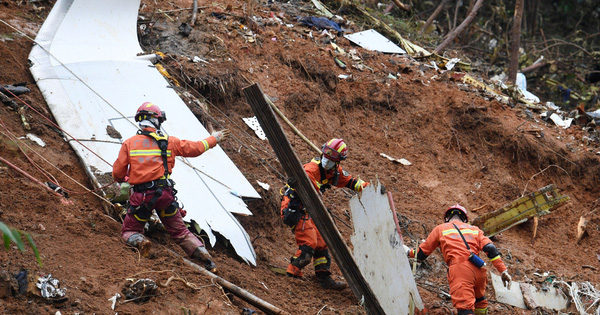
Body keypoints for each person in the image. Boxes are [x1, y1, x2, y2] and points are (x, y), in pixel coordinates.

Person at [112, 101, 229, 272]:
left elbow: (117, 174)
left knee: (130, 230)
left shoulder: (130, 143)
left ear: (140, 121)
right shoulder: (170, 142)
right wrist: (215, 138)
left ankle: (141, 241)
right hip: (165, 195)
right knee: (180, 232)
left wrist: (126, 178)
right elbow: (196, 148)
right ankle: (208, 261)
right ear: (157, 120)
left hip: (142, 197)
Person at [280, 138, 369, 290]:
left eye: (331, 160)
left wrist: (371, 188)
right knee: (309, 243)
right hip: (295, 206)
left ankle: (323, 278)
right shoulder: (310, 171)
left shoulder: (334, 172)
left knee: (322, 242)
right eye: (326, 157)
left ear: (338, 162)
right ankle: (293, 273)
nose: (327, 161)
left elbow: (353, 183)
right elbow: (308, 192)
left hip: (310, 208)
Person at [405, 205, 512, 315]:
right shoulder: (475, 230)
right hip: (479, 268)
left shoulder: (440, 229)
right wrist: (503, 271)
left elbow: (421, 254)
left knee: (465, 308)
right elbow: (490, 249)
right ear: (465, 220)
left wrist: (408, 252)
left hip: (460, 270)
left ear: (447, 218)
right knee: (480, 301)